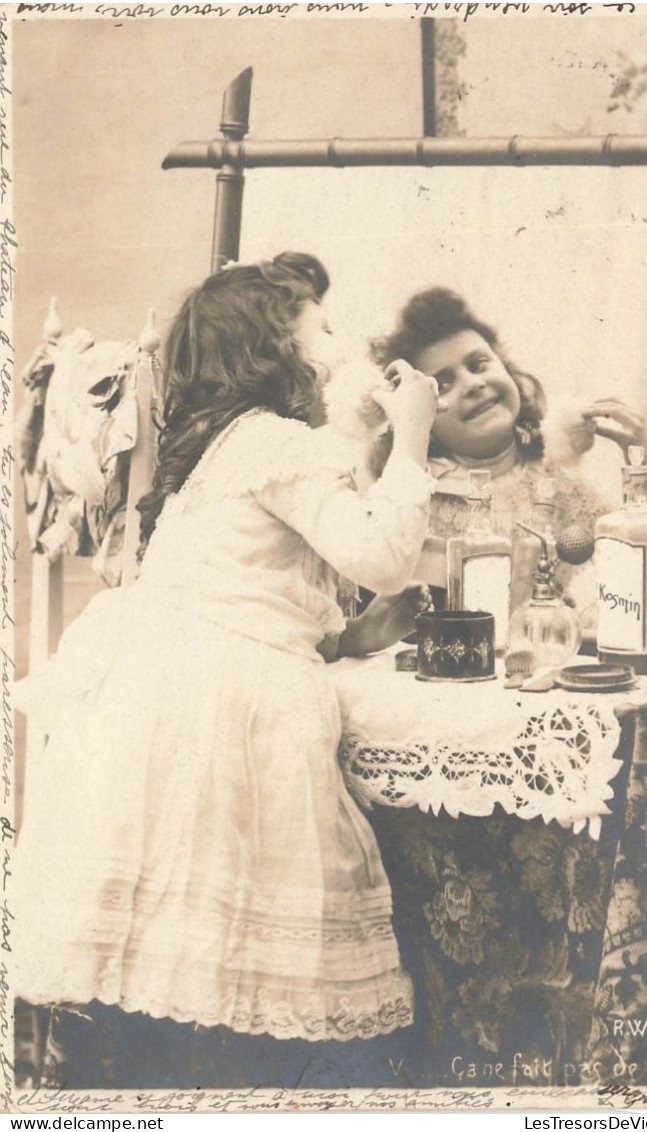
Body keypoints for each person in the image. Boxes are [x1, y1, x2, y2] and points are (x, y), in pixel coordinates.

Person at [14, 252, 438, 1087]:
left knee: (163, 949)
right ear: (276, 345)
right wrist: (414, 432)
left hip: (166, 685)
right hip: (221, 707)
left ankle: (150, 1079)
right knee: (221, 952)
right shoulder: (277, 443)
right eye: (322, 324)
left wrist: (347, 640)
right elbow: (384, 555)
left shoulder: (228, 447)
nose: (338, 337)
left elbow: (246, 593)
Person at [372, 287, 647, 543]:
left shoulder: (567, 491)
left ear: (508, 370)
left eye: (479, 364)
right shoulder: (412, 507)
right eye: (444, 384)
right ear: (423, 420)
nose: (473, 384)